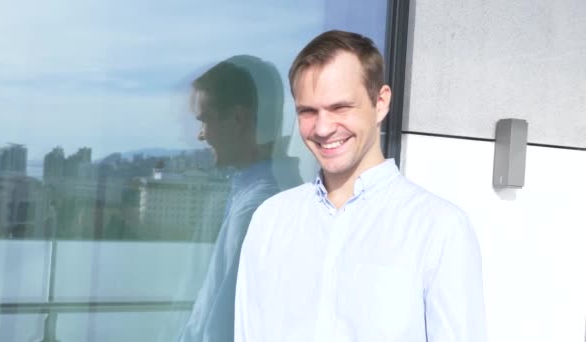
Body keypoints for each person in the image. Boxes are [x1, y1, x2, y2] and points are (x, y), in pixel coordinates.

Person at [235, 30, 487, 342]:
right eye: (308, 111)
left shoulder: (439, 229)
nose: (324, 128)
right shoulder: (269, 220)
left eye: (340, 107)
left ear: (380, 103)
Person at [172, 55, 301, 342]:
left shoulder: (256, 209)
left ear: (239, 119)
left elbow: (221, 323)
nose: (200, 135)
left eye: (205, 120)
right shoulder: (264, 193)